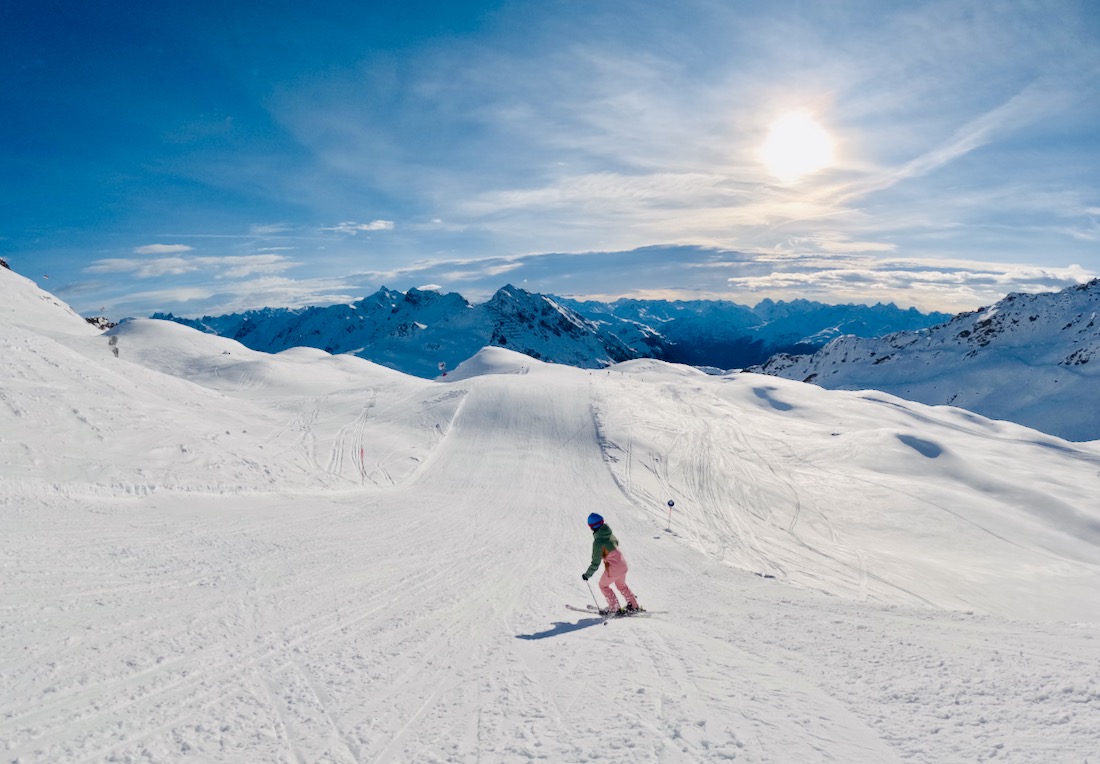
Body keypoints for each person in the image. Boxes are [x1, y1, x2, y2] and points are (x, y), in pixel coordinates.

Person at [582, 513, 642, 615]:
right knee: (621, 585)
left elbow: (595, 563)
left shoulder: (598, 542)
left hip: (614, 568)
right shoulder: (610, 534)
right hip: (623, 565)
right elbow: (616, 543)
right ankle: (634, 605)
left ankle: (614, 608)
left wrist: (587, 575)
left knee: (603, 585)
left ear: (591, 527)